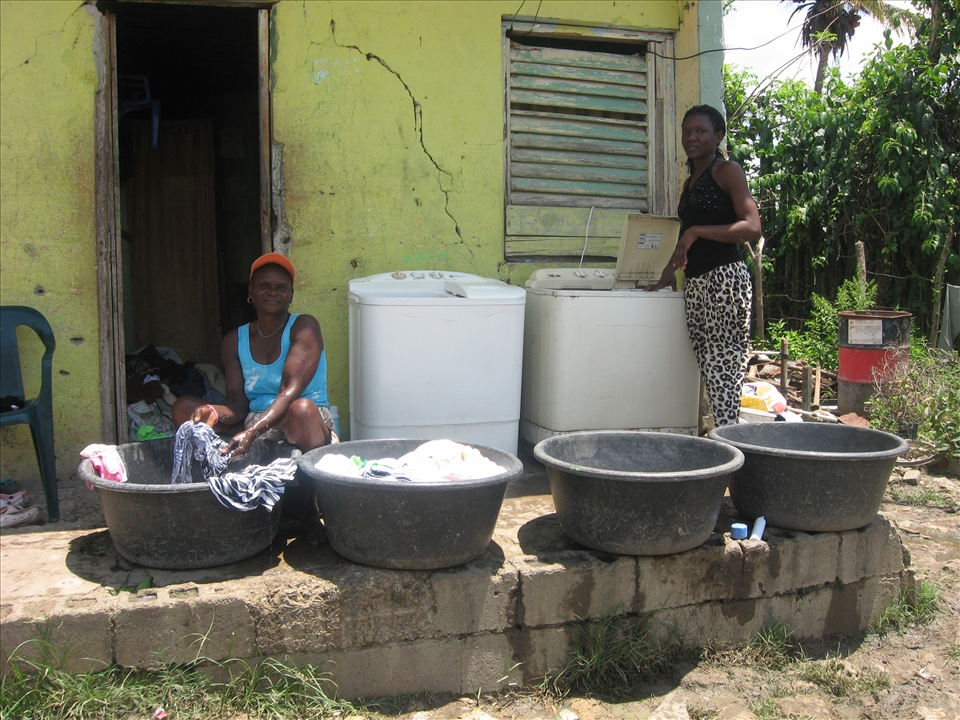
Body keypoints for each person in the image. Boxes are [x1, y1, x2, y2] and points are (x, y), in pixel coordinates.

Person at [645, 105, 762, 426]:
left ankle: (732, 444)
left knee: (724, 365)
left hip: (726, 280)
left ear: (718, 136)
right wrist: (668, 273)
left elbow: (752, 226)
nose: (691, 137)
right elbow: (685, 237)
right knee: (709, 364)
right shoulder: (691, 181)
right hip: (697, 283)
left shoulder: (727, 171)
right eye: (686, 131)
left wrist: (697, 232)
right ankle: (727, 440)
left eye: (700, 131)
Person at [172, 252, 336, 457]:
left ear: (291, 295)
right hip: (255, 420)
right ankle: (207, 474)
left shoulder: (304, 327)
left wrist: (251, 432)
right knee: (184, 408)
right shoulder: (234, 340)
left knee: (300, 409)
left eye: (281, 287)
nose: (273, 292)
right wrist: (213, 412)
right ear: (251, 291)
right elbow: (238, 405)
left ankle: (311, 484)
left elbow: (289, 393)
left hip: (302, 422)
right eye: (264, 285)